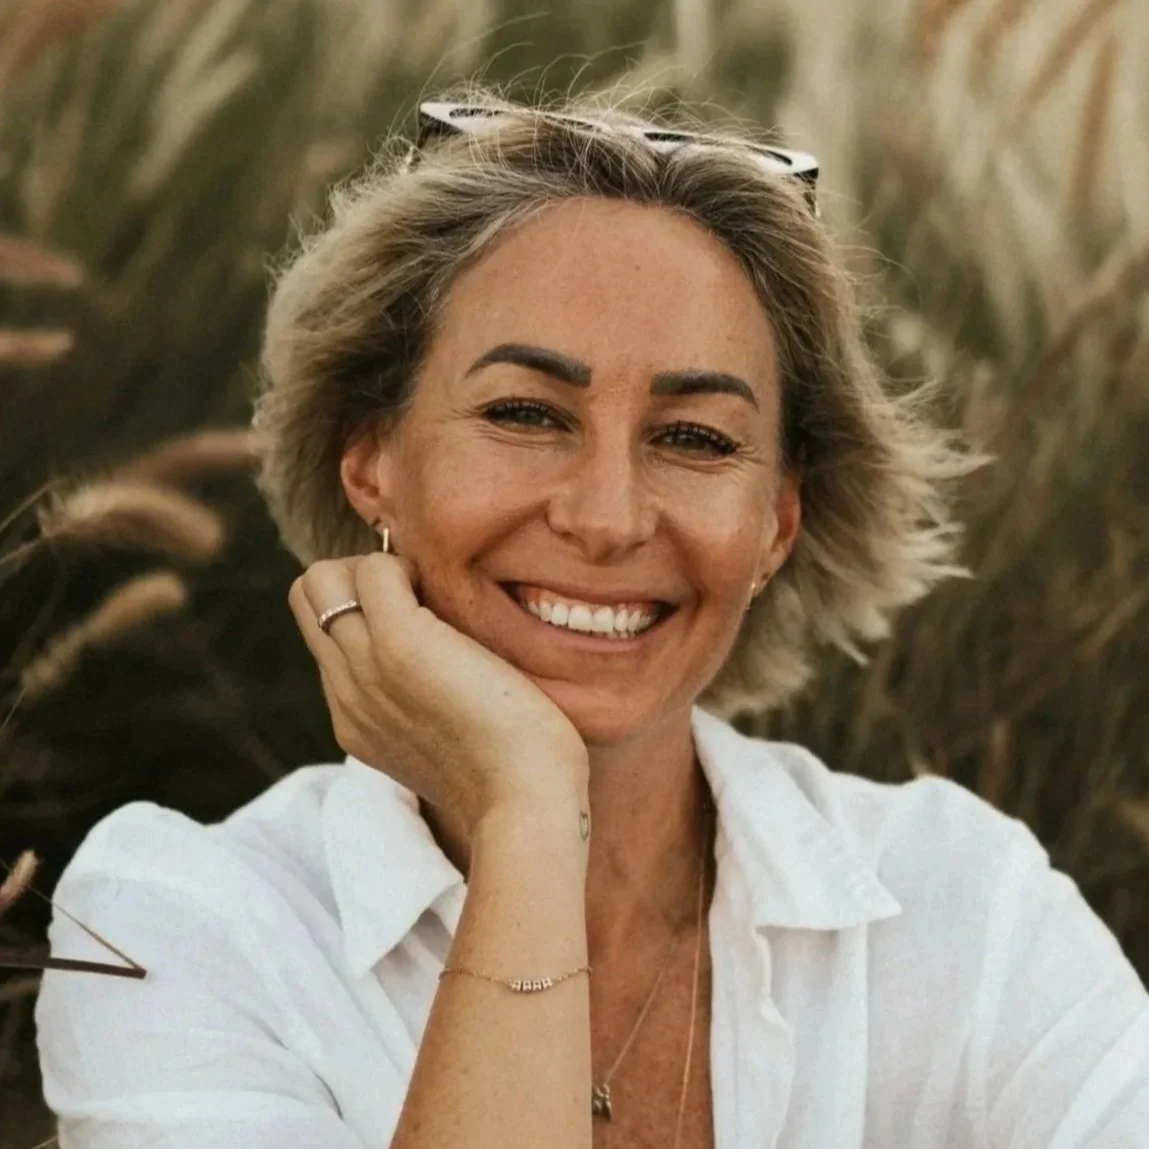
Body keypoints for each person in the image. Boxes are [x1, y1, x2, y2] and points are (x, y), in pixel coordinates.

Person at [34, 87, 1149, 1149]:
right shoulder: (180, 922)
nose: (608, 518)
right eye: (526, 413)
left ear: (777, 523)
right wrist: (526, 819)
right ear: (371, 461)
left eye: (697, 437)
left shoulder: (962, 903)